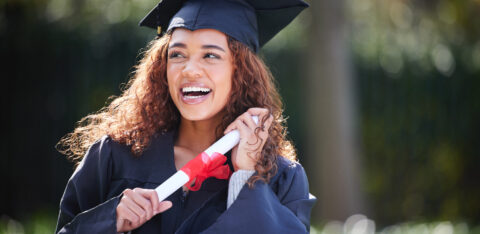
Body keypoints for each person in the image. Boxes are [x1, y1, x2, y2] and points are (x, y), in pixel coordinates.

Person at [55, 0, 316, 233]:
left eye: (211, 55)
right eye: (177, 55)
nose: (189, 70)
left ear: (241, 72)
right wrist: (111, 220)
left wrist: (245, 178)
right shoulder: (112, 156)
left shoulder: (281, 177)